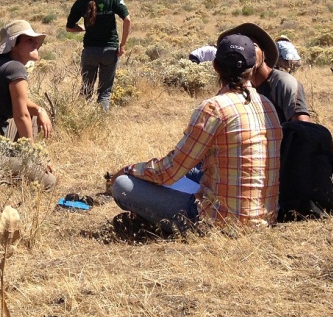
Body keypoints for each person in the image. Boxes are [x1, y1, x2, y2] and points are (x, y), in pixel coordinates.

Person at [111, 31, 282, 230]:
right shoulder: (267, 105)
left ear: (215, 66)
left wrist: (129, 169)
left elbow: (170, 171)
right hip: (264, 219)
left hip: (219, 221)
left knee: (123, 185)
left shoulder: (214, 108)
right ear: (253, 68)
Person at [65, 0, 131, 110]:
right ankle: (101, 125)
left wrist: (82, 28)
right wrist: (123, 45)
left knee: (86, 91)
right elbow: (127, 20)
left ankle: (82, 121)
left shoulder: (81, 2)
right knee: (105, 93)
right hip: (109, 51)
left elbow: (69, 27)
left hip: (90, 51)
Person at [223, 23, 312, 125]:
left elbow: (304, 128)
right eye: (242, 48)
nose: (247, 52)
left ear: (264, 54)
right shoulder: (238, 87)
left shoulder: (283, 84)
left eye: (253, 46)